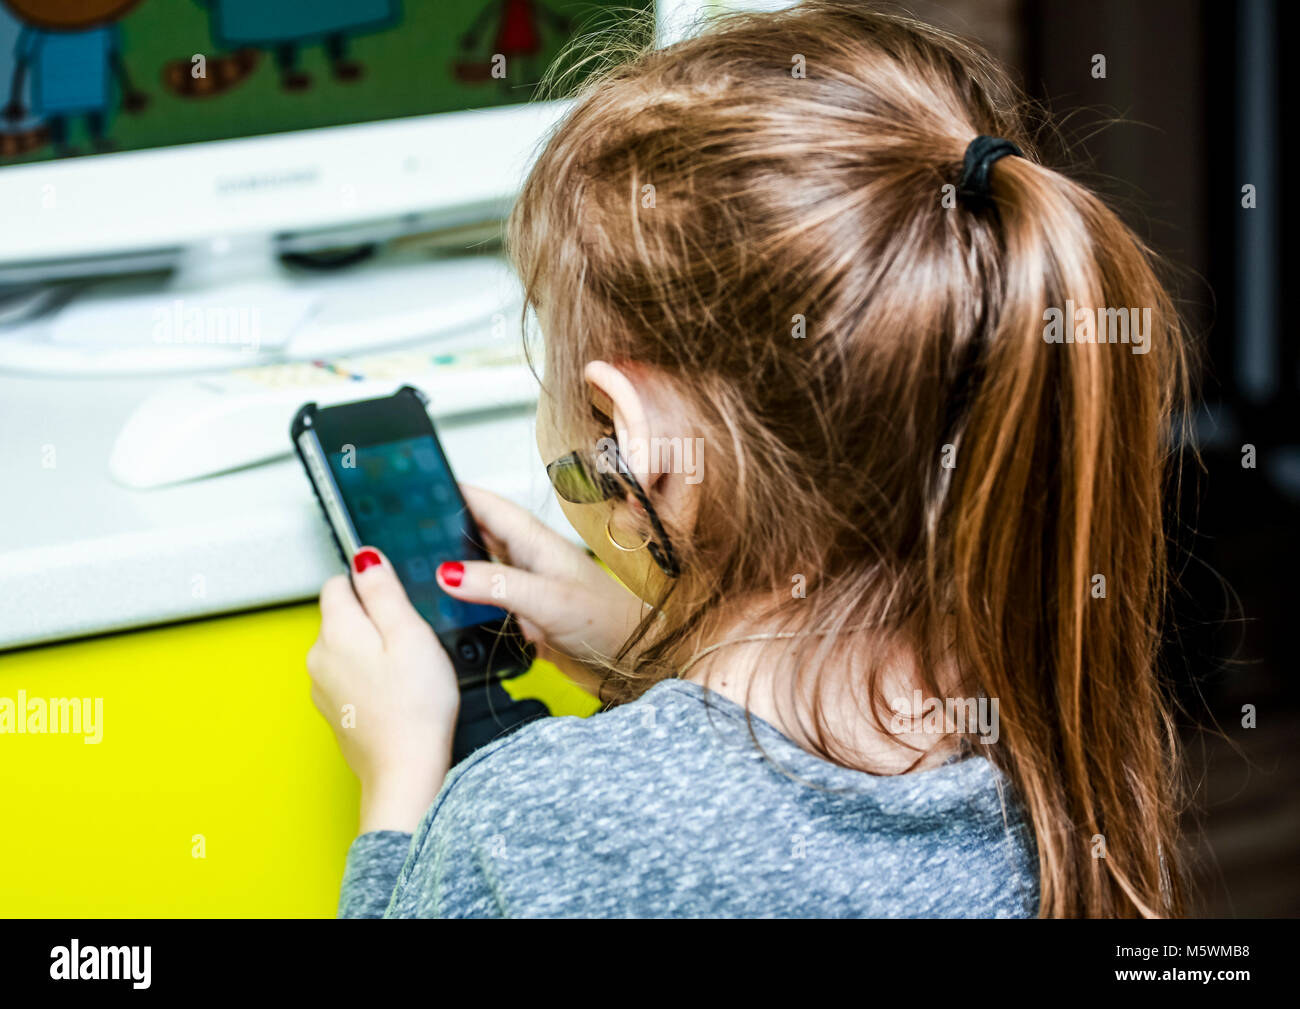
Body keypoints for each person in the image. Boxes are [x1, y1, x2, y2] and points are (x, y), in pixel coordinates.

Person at [307, 1, 1189, 918]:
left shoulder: (526, 822)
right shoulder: (1053, 727)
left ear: (628, 435)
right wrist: (643, 657)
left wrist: (401, 785)